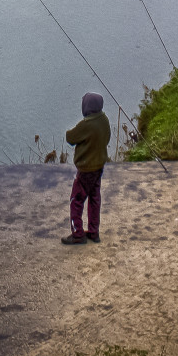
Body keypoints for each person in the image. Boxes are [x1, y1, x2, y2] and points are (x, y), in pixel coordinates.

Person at [62, 91, 110, 245]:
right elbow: (107, 137)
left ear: (87, 107)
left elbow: (70, 137)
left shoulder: (87, 124)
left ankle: (78, 234)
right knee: (94, 198)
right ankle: (94, 232)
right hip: (98, 167)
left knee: (76, 200)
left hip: (86, 170)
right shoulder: (104, 120)